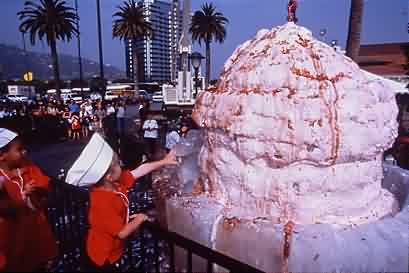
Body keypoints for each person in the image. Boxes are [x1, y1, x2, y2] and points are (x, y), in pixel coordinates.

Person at [65, 133, 177, 272]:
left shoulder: (114, 184)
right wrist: (141, 218)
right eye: (117, 164)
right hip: (103, 257)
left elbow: (139, 171)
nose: (121, 165)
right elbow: (122, 233)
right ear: (109, 177)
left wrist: (164, 161)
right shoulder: (102, 202)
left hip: (112, 251)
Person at [0, 128, 57, 271]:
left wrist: (38, 191)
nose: (24, 152)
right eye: (19, 149)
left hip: (37, 233)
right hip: (13, 241)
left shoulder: (28, 166)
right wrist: (23, 197)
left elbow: (44, 185)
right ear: (2, 155)